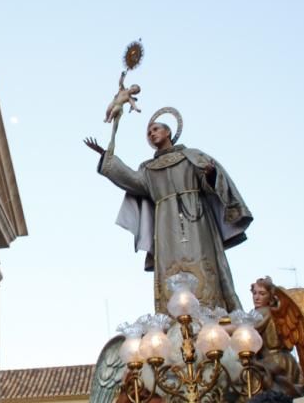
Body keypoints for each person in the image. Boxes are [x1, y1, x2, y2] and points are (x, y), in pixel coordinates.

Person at [85, 115, 252, 313]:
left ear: (168, 132)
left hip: (196, 218)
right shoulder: (148, 169)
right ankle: (173, 318)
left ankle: (211, 310)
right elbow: (133, 181)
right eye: (148, 133)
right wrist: (107, 157)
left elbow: (209, 184)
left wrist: (210, 175)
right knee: (170, 269)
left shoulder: (191, 156)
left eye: (155, 129)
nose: (151, 134)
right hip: (165, 223)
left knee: (203, 259)